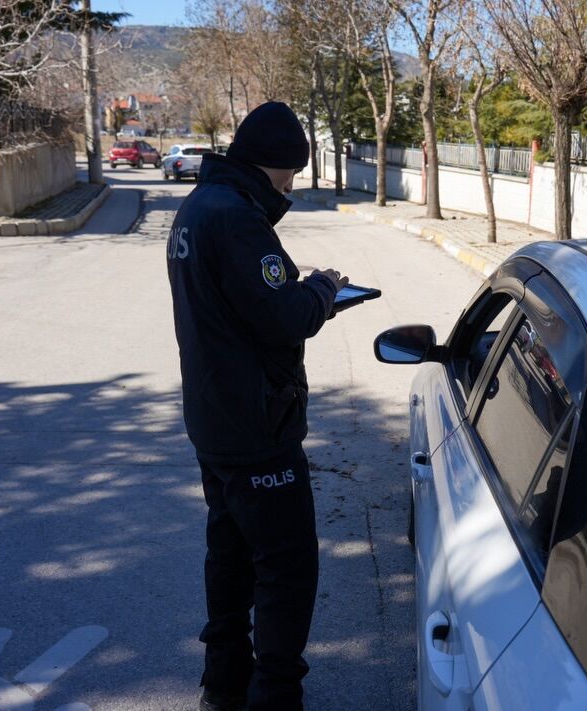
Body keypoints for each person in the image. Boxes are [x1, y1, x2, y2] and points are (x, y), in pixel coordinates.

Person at [166, 101, 347, 711]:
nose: (290, 188)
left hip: (213, 418)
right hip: (256, 427)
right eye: (290, 176)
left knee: (230, 555)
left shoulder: (198, 206)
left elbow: (238, 307)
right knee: (286, 567)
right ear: (273, 166)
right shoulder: (238, 218)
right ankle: (274, 696)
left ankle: (223, 685)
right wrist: (322, 288)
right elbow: (283, 316)